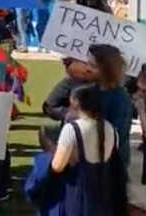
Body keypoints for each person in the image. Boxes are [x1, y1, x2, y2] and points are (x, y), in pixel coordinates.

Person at [50, 84, 127, 215]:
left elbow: (57, 166)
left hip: (78, 198)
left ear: (76, 103)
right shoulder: (111, 129)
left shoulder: (71, 129)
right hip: (104, 199)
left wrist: (50, 150)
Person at [88, 44, 132, 167]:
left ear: (107, 69)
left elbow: (117, 134)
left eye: (93, 66)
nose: (88, 69)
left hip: (111, 165)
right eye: (88, 64)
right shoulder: (90, 91)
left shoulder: (120, 99)